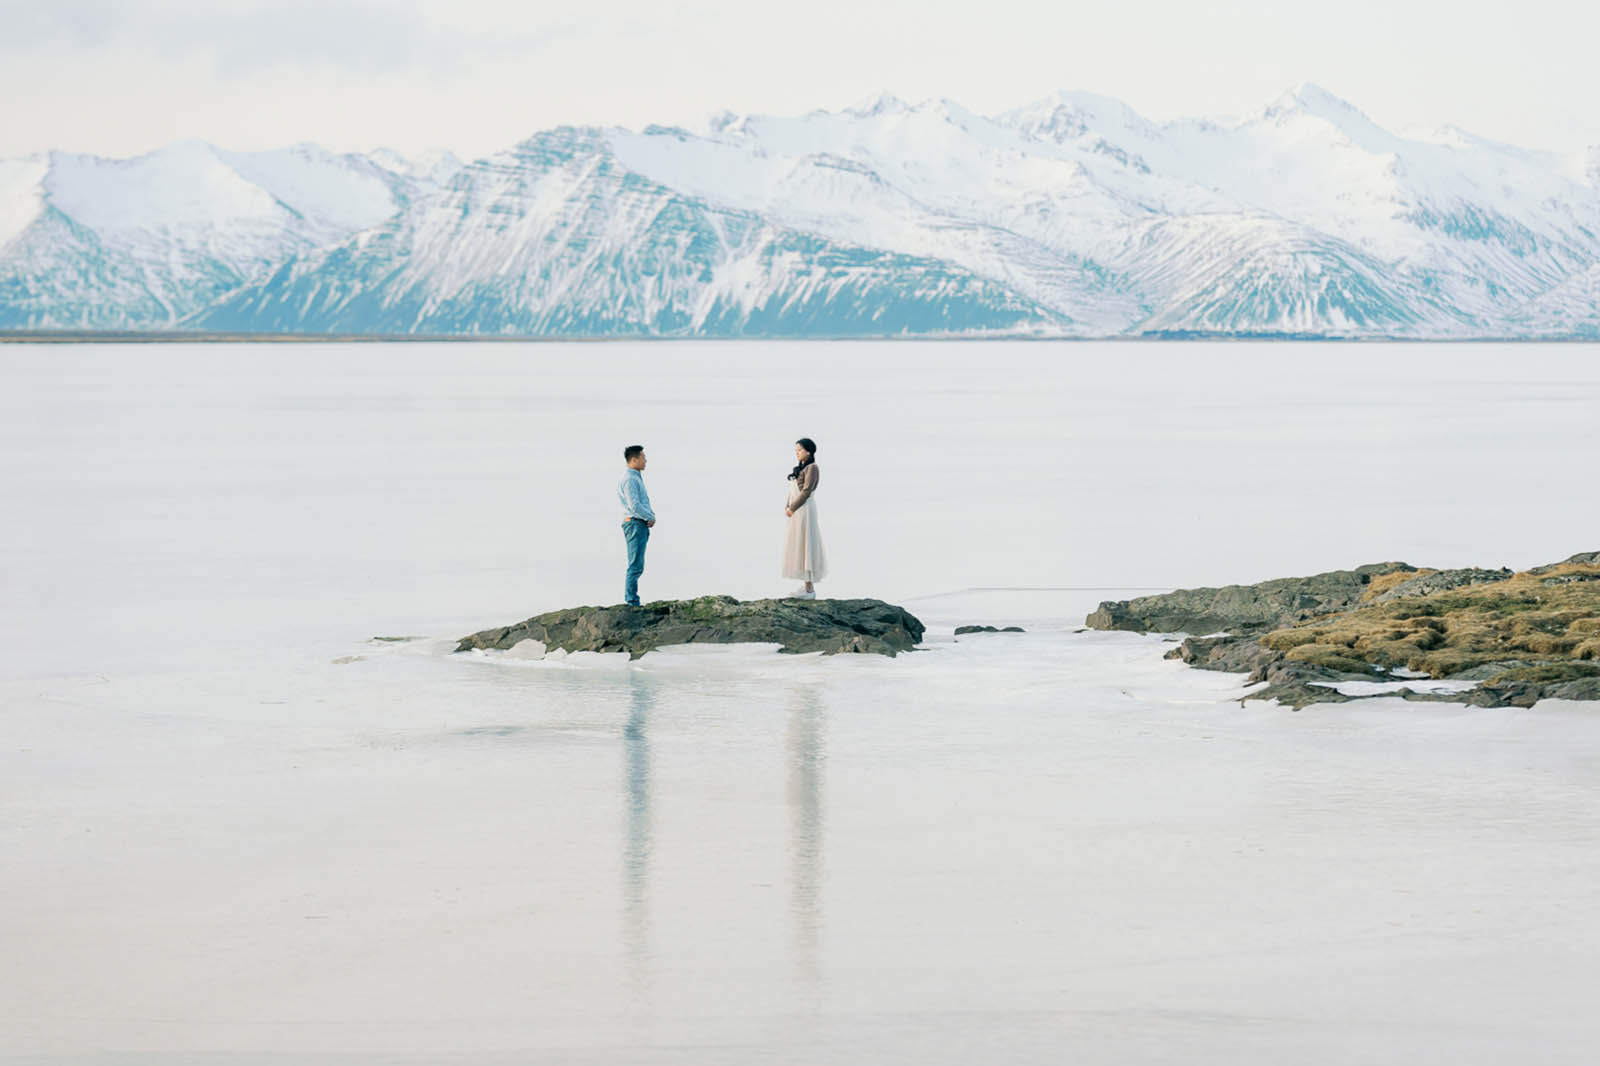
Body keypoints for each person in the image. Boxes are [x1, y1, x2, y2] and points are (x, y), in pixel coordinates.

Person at [782, 438, 827, 598]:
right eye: (796, 451)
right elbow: (793, 491)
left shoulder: (812, 468)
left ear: (808, 451)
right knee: (800, 545)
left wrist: (792, 507)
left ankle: (809, 589)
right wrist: (787, 507)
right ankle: (807, 586)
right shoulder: (801, 468)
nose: (797, 453)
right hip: (797, 511)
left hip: (804, 510)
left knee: (807, 544)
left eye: (799, 450)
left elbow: (806, 492)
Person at [618, 445, 655, 606]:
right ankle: (632, 601)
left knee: (637, 564)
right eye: (643, 458)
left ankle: (632, 599)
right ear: (634, 459)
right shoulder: (630, 479)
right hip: (634, 523)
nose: (645, 461)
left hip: (638, 523)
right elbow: (634, 505)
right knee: (635, 564)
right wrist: (650, 516)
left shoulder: (635, 477)